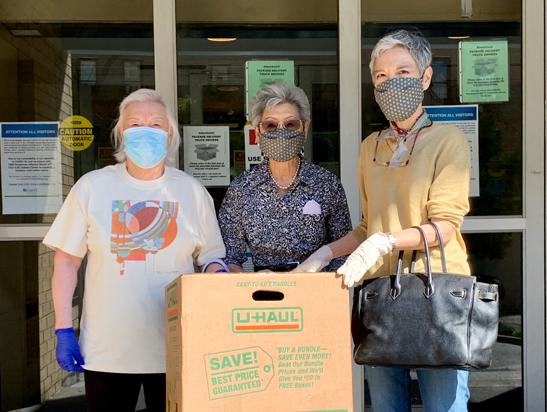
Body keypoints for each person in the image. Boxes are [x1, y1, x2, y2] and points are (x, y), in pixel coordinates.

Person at [298, 30, 472, 411]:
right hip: (380, 295)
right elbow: (367, 226)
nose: (390, 81)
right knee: (386, 405)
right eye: (380, 75)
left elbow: (445, 226)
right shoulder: (370, 146)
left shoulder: (449, 140)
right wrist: (325, 253)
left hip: (436, 294)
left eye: (403, 70)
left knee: (445, 406)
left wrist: (385, 241)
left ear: (425, 78)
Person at [44, 88, 226, 412]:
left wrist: (219, 274)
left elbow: (210, 256)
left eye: (155, 124)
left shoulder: (191, 191)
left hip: (174, 347)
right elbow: (66, 261)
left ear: (170, 135)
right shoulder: (92, 187)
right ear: (121, 133)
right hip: (107, 350)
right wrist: (62, 328)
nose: (145, 131)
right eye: (135, 124)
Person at [219, 82, 352, 273]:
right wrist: (249, 283)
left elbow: (344, 248)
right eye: (271, 125)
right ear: (258, 133)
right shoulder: (241, 188)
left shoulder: (326, 184)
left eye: (290, 124)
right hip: (260, 293)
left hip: (314, 290)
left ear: (304, 130)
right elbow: (230, 256)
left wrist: (322, 282)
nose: (281, 131)